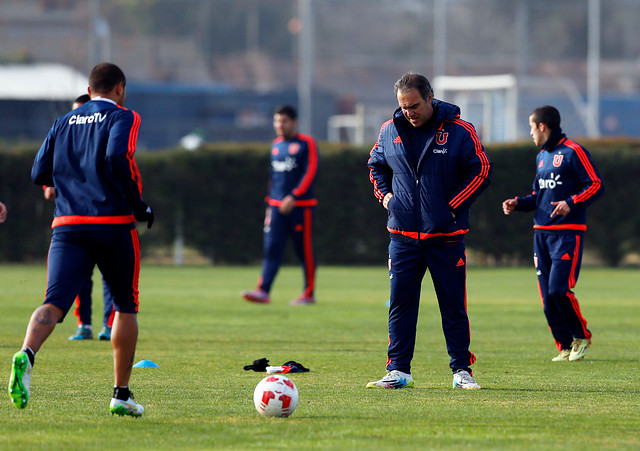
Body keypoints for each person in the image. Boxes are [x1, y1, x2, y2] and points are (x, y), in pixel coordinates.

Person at [8, 62, 154, 417]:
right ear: (119, 88)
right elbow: (118, 156)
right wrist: (139, 205)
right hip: (113, 223)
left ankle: (26, 354)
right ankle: (121, 394)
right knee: (125, 305)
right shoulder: (123, 117)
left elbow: (38, 172)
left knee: (54, 302)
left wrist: (63, 186)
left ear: (88, 92)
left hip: (68, 225)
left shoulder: (63, 122)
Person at [367, 72, 492, 390]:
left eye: (414, 105)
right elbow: (375, 165)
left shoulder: (460, 131)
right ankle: (398, 371)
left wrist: (452, 207)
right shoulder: (388, 130)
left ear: (430, 99)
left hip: (446, 238)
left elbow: (481, 170)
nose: (409, 112)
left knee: (453, 306)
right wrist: (387, 198)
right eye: (404, 106)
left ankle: (461, 371)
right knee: (400, 304)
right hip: (403, 237)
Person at [502, 105, 603, 362]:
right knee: (547, 298)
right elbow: (539, 196)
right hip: (541, 235)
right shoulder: (541, 157)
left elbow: (595, 184)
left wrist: (572, 202)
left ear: (542, 127)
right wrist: (518, 203)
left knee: (559, 290)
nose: (530, 133)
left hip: (567, 234)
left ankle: (581, 336)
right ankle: (565, 345)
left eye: (531, 128)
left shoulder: (574, 152)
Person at [43, 94, 115, 342]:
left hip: (91, 219)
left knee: (110, 278)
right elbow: (49, 169)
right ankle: (84, 324)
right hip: (77, 218)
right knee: (80, 278)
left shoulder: (106, 132)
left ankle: (109, 325)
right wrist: (49, 186)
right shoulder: (68, 131)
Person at [242, 105, 319, 306]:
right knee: (271, 248)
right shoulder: (276, 145)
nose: (279, 125)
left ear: (294, 122)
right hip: (276, 207)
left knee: (304, 250)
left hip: (301, 206)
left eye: (283, 121)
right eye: (277, 121)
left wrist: (293, 196)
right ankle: (263, 291)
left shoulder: (306, 144)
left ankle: (308, 293)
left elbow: (310, 173)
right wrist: (271, 203)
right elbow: (273, 178)